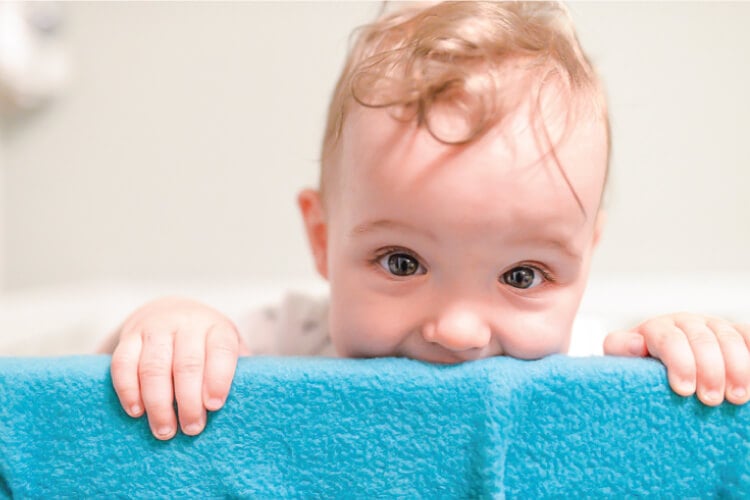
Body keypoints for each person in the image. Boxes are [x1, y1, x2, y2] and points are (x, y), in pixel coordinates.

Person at [100, 1, 750, 440]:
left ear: (587, 258)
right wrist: (165, 331)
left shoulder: (591, 362)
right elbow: (98, 395)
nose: (460, 332)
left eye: (523, 275)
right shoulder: (286, 344)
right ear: (322, 240)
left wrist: (690, 353)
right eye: (403, 263)